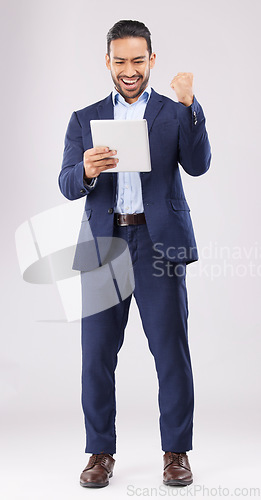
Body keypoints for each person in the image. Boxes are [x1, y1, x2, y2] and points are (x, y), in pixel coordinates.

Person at [58, 19, 211, 488]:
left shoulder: (171, 111)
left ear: (152, 60)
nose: (129, 70)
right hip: (106, 243)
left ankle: (176, 452)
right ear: (108, 62)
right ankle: (100, 453)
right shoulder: (84, 119)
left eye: (138, 61)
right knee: (96, 356)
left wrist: (190, 105)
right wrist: (84, 169)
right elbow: (67, 184)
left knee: (171, 352)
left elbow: (199, 164)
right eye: (120, 61)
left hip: (158, 244)